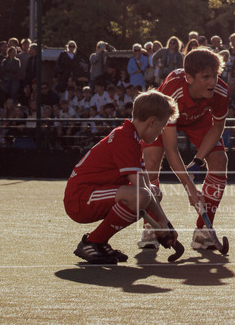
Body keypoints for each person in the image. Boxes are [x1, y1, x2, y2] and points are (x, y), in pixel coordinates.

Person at [64, 89, 180, 264]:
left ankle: (99, 243)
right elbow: (141, 191)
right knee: (142, 196)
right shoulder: (125, 137)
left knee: (154, 193)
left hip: (95, 194)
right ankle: (93, 242)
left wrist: (164, 223)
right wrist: (162, 223)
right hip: (80, 199)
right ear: (152, 121)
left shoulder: (132, 138)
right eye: (162, 127)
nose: (161, 133)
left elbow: (148, 187)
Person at [141, 46, 229, 252]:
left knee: (219, 160)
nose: (213, 82)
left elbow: (217, 127)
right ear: (189, 78)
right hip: (162, 115)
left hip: (198, 118)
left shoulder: (221, 92)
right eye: (206, 77)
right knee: (151, 161)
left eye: (215, 76)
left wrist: (198, 160)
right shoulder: (173, 90)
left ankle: (203, 232)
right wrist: (190, 187)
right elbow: (171, 149)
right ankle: (152, 225)